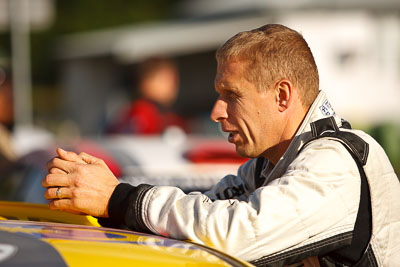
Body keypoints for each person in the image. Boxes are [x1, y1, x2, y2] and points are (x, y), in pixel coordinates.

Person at [42, 24, 400, 266]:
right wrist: (103, 204)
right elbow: (195, 216)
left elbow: (235, 232)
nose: (216, 112)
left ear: (282, 95)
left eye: (232, 96)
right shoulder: (266, 168)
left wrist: (118, 197)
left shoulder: (335, 164)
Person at [106, 57, 186, 135]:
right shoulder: (143, 114)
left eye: (174, 79)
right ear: (145, 82)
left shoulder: (169, 116)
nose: (173, 85)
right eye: (166, 79)